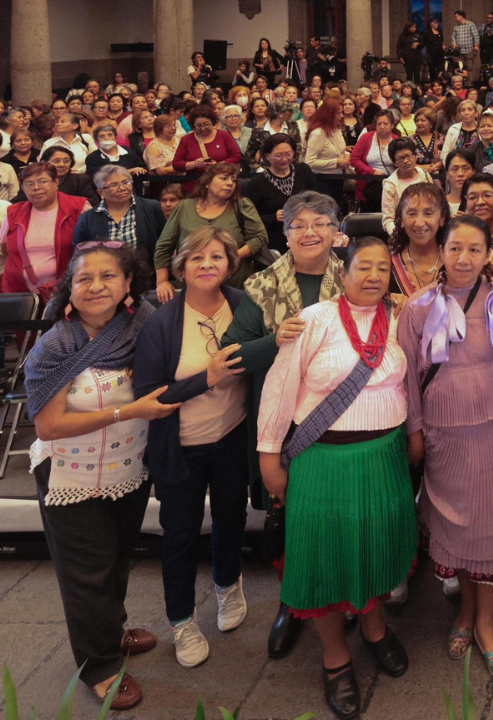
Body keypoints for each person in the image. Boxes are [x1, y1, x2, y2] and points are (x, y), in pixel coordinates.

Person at [257, 236, 415, 718]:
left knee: (372, 545)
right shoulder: (316, 319)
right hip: (323, 459)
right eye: (362, 267)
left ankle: (374, 628)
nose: (372, 276)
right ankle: (335, 656)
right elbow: (280, 387)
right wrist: (268, 455)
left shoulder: (401, 318)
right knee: (323, 556)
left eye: (382, 269)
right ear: (342, 274)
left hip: (384, 456)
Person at [25, 243, 174, 711]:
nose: (96, 287)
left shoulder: (142, 324)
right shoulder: (57, 344)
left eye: (108, 277)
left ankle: (110, 632)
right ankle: (100, 667)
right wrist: (129, 410)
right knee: (86, 574)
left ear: (128, 284)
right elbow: (48, 426)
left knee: (115, 560)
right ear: (72, 286)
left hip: (129, 467)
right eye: (85, 279)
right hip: (70, 476)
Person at [399, 215, 493, 680]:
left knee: (492, 523)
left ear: (487, 255)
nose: (464, 258)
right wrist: (415, 431)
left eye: (475, 250)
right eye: (455, 248)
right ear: (441, 250)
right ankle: (461, 613)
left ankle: (485, 620)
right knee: (456, 523)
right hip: (444, 438)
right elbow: (409, 382)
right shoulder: (418, 308)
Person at [221, 191, 344, 661]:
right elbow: (233, 355)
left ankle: (345, 598)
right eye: (299, 225)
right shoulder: (262, 285)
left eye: (321, 223)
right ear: (285, 231)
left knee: (337, 516)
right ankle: (293, 604)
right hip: (285, 427)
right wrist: (275, 340)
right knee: (294, 520)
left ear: (337, 230)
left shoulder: (357, 275)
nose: (310, 232)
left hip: (345, 421)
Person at [132, 226, 250, 668]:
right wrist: (207, 379)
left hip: (232, 435)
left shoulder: (242, 304)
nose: (207, 266)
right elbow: (150, 397)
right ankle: (181, 621)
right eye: (197, 259)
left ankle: (228, 584)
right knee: (179, 534)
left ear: (229, 264)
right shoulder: (160, 320)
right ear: (180, 266)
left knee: (231, 517)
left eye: (216, 258)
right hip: (181, 445)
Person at [154, 163, 268, 300]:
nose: (230, 183)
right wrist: (162, 281)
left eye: (233, 180)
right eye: (224, 178)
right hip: (190, 287)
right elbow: (163, 246)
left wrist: (231, 258)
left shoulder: (241, 205)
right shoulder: (185, 206)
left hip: (234, 286)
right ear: (207, 182)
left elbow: (260, 237)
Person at [0, 162, 90, 299]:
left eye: (42, 181)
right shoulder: (13, 212)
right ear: (23, 188)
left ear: (56, 182)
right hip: (21, 293)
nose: (36, 188)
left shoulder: (78, 207)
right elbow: (5, 248)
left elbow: (93, 247)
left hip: (69, 291)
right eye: (29, 184)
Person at [72, 166, 166, 271]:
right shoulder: (87, 218)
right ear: (101, 192)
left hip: (148, 276)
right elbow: (79, 253)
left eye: (126, 182)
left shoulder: (152, 207)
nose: (122, 188)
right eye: (114, 185)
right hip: (106, 278)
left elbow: (165, 244)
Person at [243, 134, 319, 252]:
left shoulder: (303, 170)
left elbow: (317, 199)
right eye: (278, 155)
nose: (284, 159)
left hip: (306, 232)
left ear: (293, 152)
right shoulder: (257, 183)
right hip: (274, 238)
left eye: (288, 154)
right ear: (267, 156)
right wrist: (273, 217)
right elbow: (249, 219)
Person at [173, 106, 243, 193]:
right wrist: (194, 164)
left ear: (212, 122)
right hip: (194, 185)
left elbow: (236, 156)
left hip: (221, 184)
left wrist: (217, 166)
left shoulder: (224, 135)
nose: (202, 128)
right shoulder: (186, 139)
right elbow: (176, 164)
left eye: (206, 124)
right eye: (198, 125)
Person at [380, 139, 433, 235]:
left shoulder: (424, 175)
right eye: (400, 158)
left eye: (408, 156)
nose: (406, 161)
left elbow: (433, 203)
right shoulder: (390, 185)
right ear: (394, 162)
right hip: (402, 232)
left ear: (415, 155)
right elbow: (388, 220)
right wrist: (399, 237)